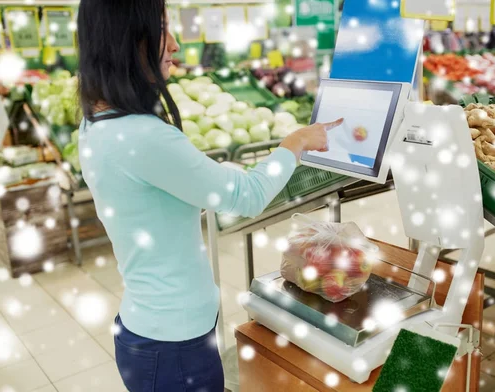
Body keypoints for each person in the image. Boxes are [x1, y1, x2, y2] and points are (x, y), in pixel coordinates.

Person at [76, 1, 342, 391]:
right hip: (172, 348)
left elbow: (151, 197)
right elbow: (248, 196)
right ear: (127, 39)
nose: (176, 44)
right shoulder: (141, 135)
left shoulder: (97, 122)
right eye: (163, 28)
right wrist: (296, 141)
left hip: (151, 332)